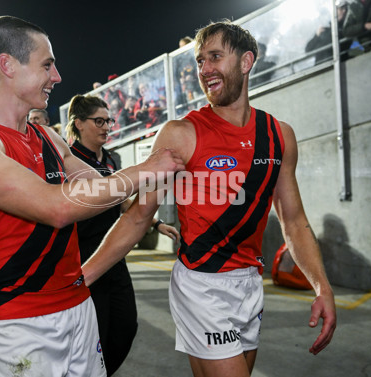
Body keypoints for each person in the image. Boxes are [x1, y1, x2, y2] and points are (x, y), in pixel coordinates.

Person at [82, 20, 336, 377]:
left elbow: (294, 220)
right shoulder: (181, 133)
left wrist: (322, 287)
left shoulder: (280, 136)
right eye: (200, 61)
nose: (204, 70)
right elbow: (138, 217)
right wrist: (82, 278)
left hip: (250, 282)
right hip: (201, 284)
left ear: (246, 62)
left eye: (215, 57)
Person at [0, 16, 183, 377]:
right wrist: (150, 168)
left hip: (79, 307)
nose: (57, 77)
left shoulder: (49, 138)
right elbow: (57, 206)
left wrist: (157, 178)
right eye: (47, 65)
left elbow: (103, 192)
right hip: (15, 322)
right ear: (8, 65)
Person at [65, 94, 180, 376]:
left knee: (126, 328)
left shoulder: (113, 158)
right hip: (84, 258)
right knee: (96, 333)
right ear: (79, 123)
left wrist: (154, 223)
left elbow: (121, 200)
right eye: (99, 121)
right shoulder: (67, 160)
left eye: (109, 121)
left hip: (115, 255)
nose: (106, 127)